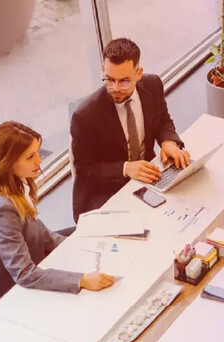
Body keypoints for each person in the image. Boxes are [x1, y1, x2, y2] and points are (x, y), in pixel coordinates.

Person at [0, 122, 115, 310]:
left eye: (37, 153)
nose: (39, 162)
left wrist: (72, 245)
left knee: (89, 234)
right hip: (4, 281)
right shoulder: (2, 209)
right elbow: (25, 274)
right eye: (30, 157)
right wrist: (81, 280)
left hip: (23, 247)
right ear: (8, 163)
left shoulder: (6, 179)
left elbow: (34, 226)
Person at [70, 38, 190, 222]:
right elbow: (85, 169)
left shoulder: (153, 85)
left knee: (185, 208)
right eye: (109, 80)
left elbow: (163, 121)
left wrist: (169, 142)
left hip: (149, 177)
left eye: (124, 81)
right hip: (107, 190)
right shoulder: (85, 116)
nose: (116, 88)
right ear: (103, 69)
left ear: (139, 73)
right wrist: (125, 168)